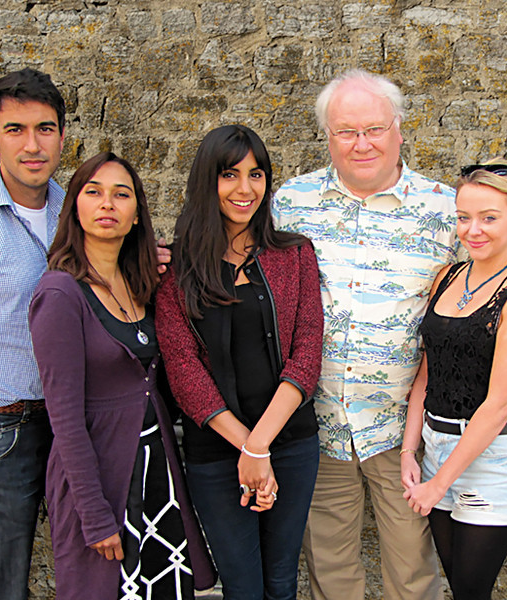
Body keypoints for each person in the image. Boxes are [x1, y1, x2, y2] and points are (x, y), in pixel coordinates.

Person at [273, 69, 507, 600]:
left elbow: (488, 278)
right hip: (319, 422)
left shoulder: (443, 209)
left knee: (413, 576)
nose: (362, 143)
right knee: (329, 572)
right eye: (346, 131)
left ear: (399, 129)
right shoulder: (290, 203)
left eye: (374, 128)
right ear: (328, 136)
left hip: (404, 433)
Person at [27, 152, 215, 599]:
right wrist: (93, 514)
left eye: (121, 194)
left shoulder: (143, 286)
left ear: (136, 216)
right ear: (74, 207)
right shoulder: (60, 294)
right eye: (93, 192)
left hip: (156, 475)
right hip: (101, 484)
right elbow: (65, 420)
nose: (107, 203)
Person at [155, 125, 324, 600]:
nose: (245, 189)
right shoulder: (178, 268)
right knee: (243, 587)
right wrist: (247, 449)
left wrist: (262, 446)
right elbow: (183, 368)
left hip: (290, 445)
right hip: (215, 453)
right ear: (208, 180)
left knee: (281, 581)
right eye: (229, 174)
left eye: (256, 174)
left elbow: (308, 350)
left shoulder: (294, 254)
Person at [401, 161, 507, 600]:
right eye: (464, 217)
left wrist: (438, 484)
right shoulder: (447, 277)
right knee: (459, 585)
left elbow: (499, 403)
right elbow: (427, 372)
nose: (473, 230)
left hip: (493, 457)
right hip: (438, 447)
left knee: (470, 591)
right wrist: (411, 450)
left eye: (489, 217)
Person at [0, 68, 65, 600]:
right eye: (16, 130)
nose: (32, 144)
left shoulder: (81, 210)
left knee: (90, 562)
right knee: (4, 578)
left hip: (75, 420)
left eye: (45, 128)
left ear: (62, 136)